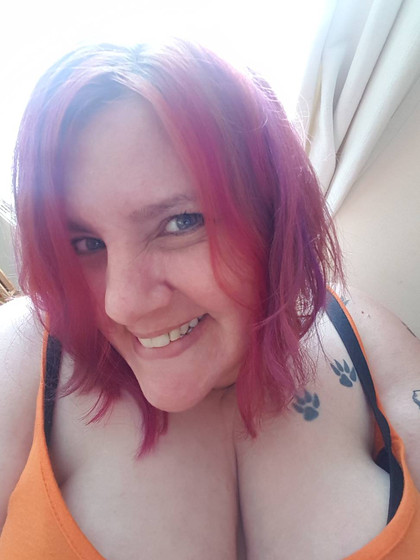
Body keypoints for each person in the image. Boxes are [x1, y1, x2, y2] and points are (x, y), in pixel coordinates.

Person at [0, 39, 419, 560]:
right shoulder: (21, 348)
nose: (122, 304)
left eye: (180, 222)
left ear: (274, 211)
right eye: (84, 244)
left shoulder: (362, 332)